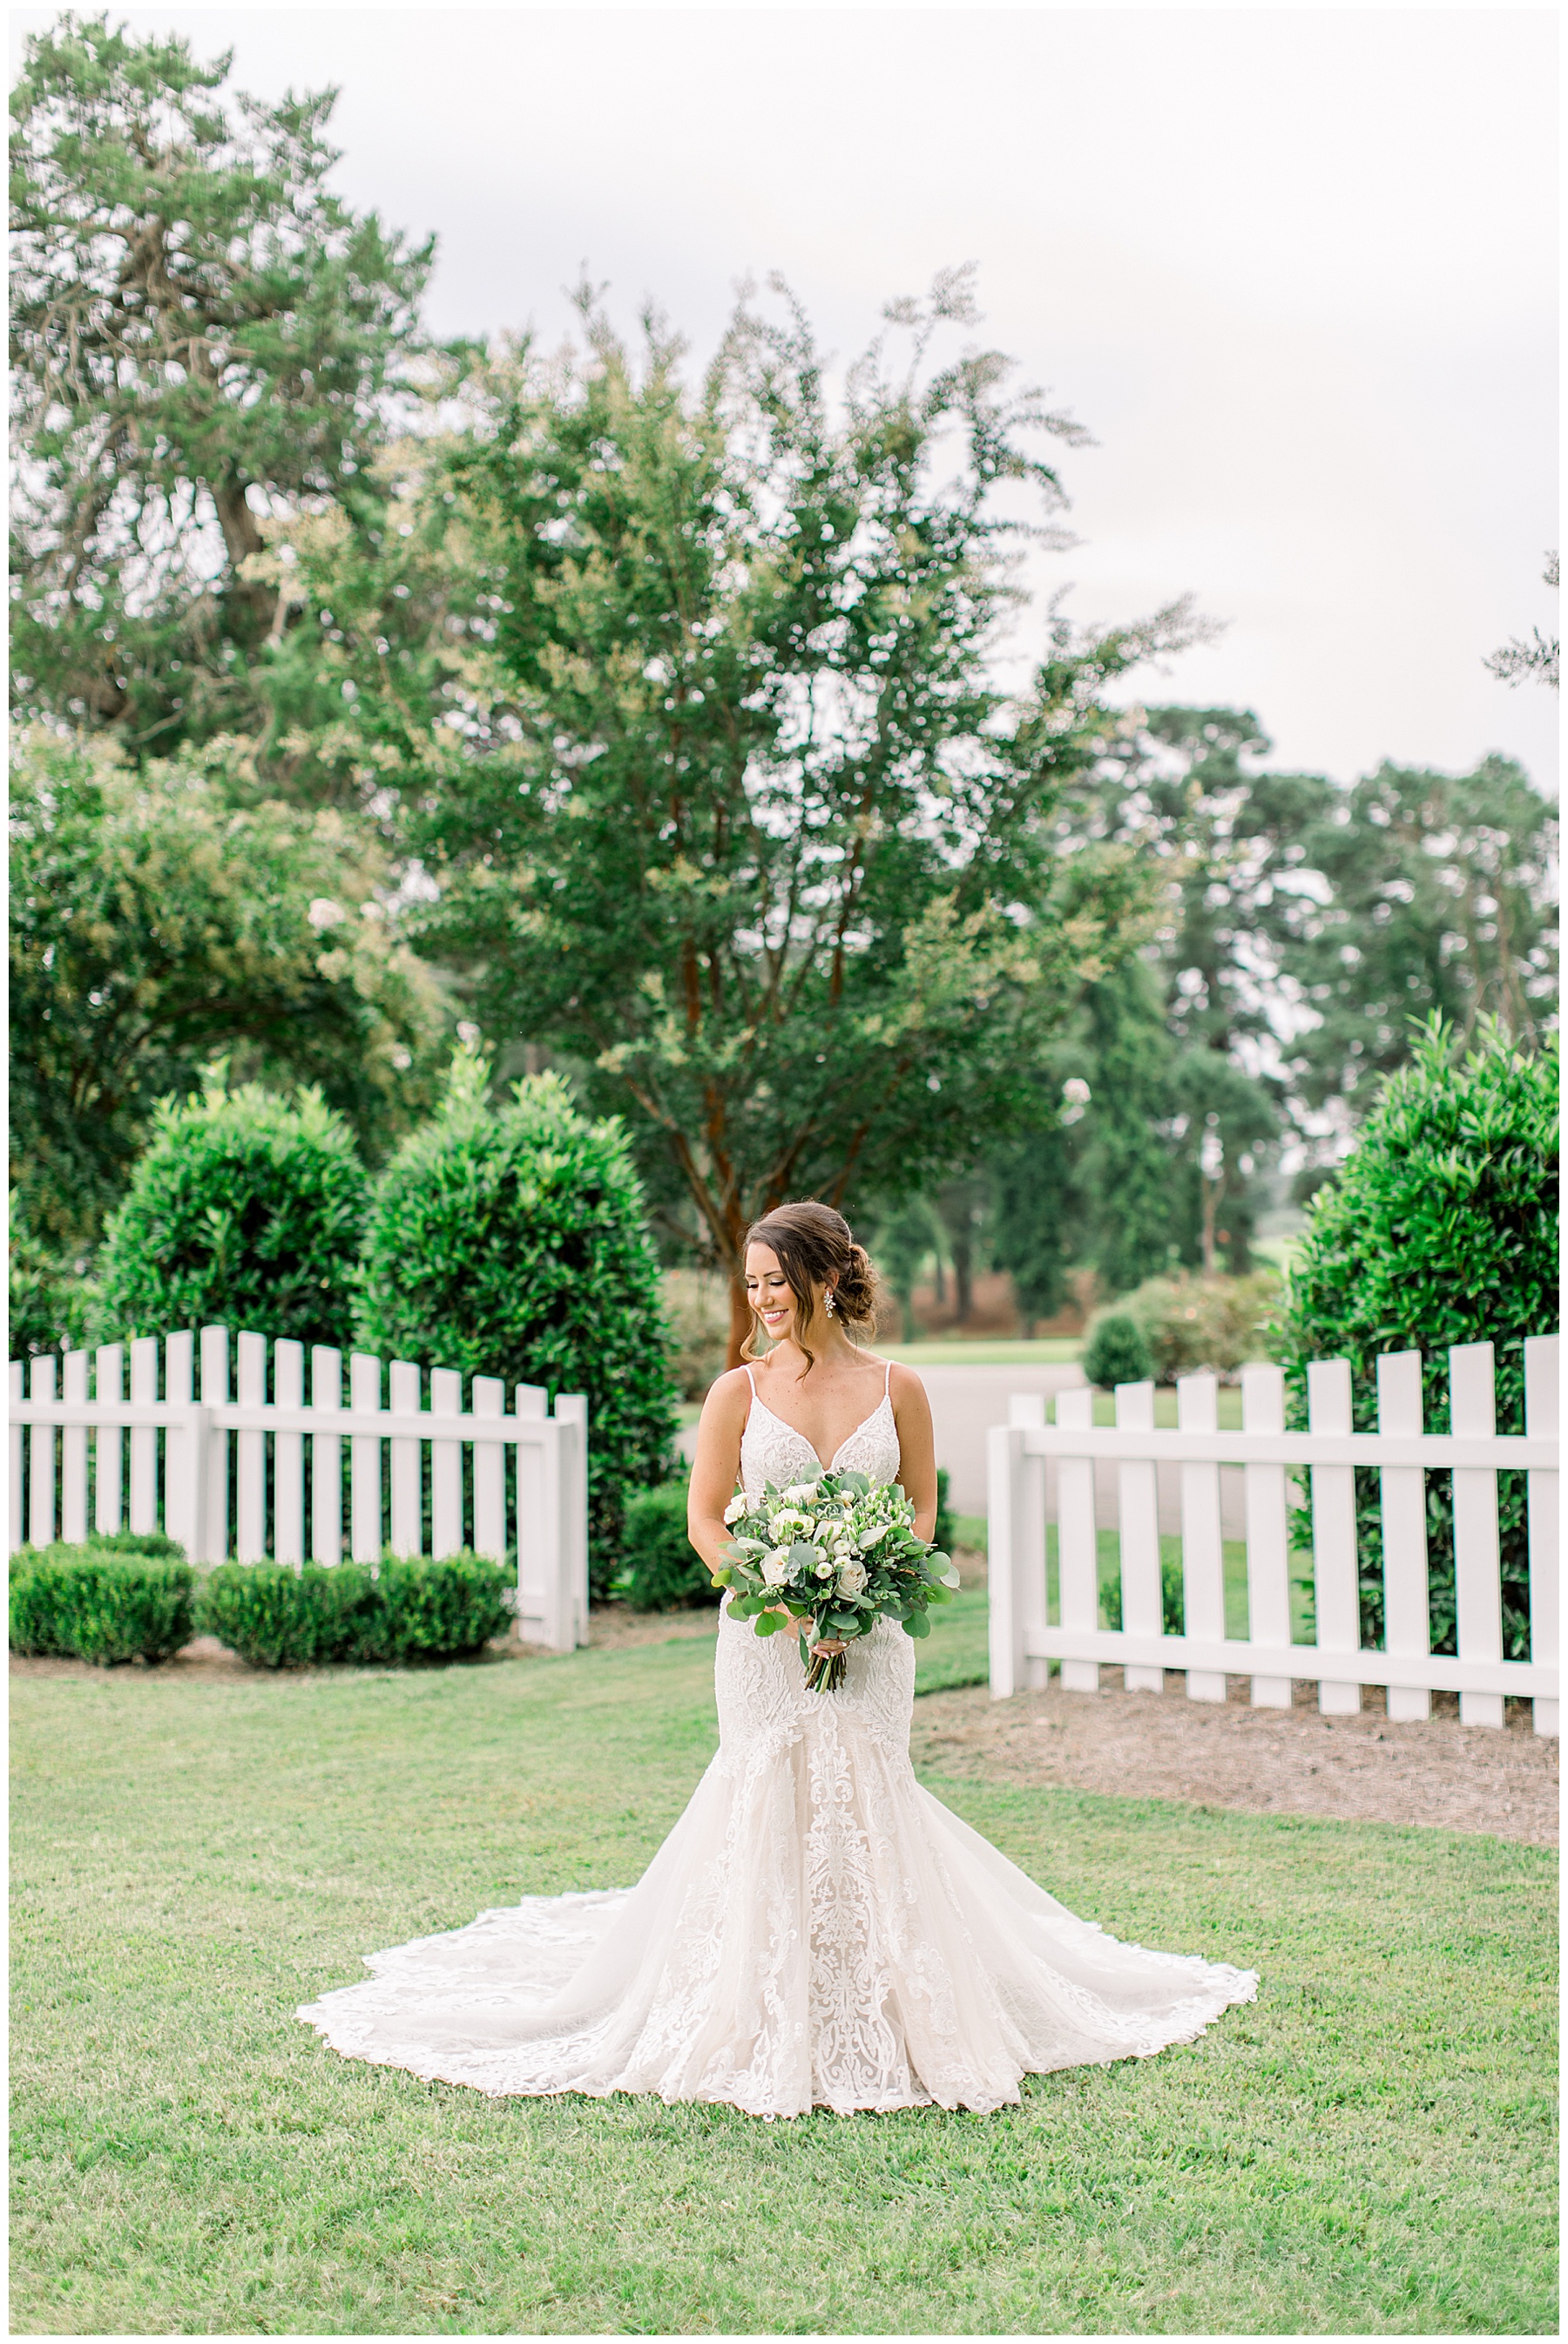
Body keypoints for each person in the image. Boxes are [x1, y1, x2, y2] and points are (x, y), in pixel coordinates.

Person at [298, 1200, 1256, 2115]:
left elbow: (923, 1508)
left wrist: (872, 1588)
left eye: (776, 1280)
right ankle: (762, 2004)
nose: (761, 1299)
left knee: (869, 1794)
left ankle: (884, 2000)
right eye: (751, 1283)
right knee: (765, 1793)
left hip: (873, 1640)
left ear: (826, 1277)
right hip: (763, 1641)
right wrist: (784, 1603)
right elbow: (705, 1521)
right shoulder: (738, 1391)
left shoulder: (901, 1388)